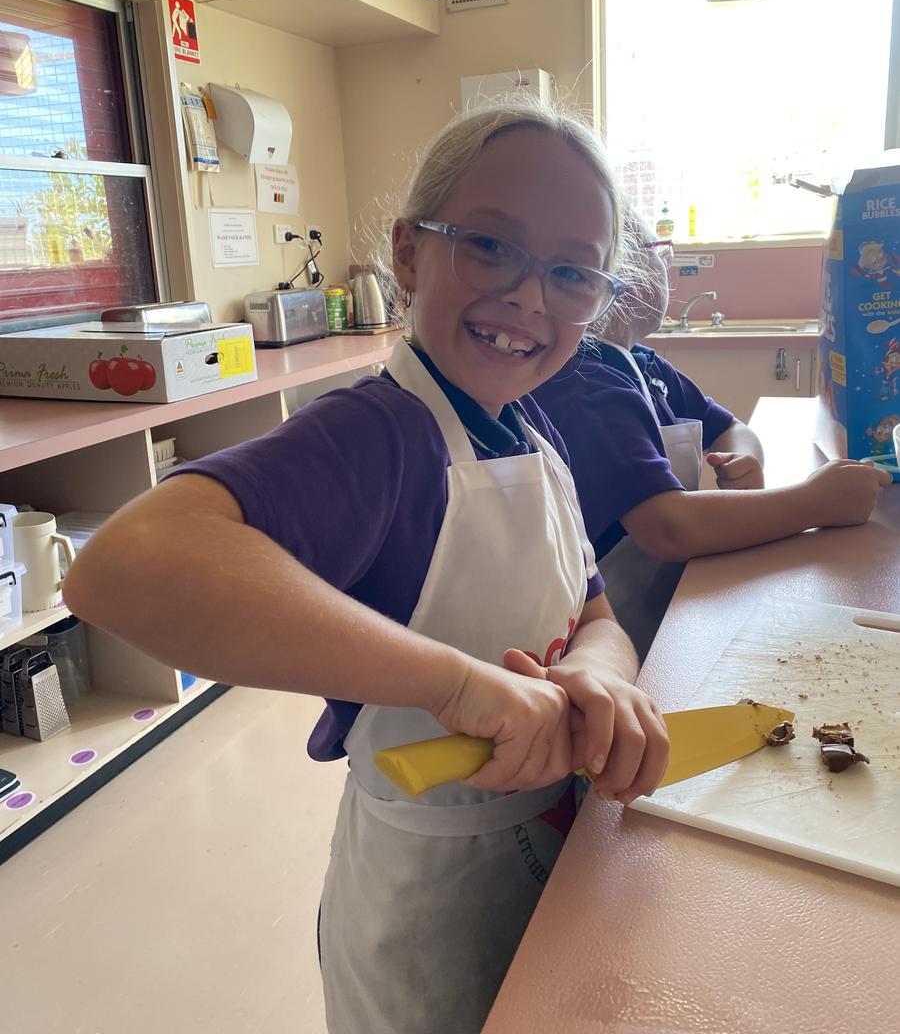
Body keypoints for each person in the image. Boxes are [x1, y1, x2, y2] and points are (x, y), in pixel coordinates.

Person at [63, 102, 670, 1034]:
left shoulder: (532, 427)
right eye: (490, 246)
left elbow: (596, 613)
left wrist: (601, 675)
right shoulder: (379, 435)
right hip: (427, 903)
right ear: (410, 254)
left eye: (571, 273)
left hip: (549, 852)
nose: (530, 299)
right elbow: (122, 568)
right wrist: (458, 687)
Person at [534, 215, 892, 661]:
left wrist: (743, 460)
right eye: (660, 252)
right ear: (623, 273)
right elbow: (669, 528)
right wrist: (816, 502)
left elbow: (731, 428)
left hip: (667, 598)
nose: (667, 266)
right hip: (615, 632)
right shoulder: (588, 387)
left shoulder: (644, 364)